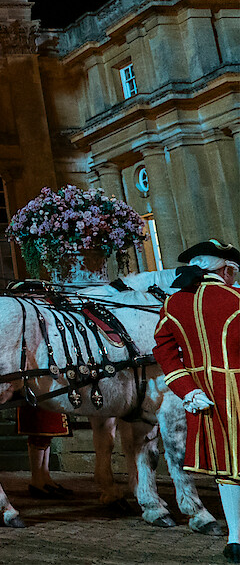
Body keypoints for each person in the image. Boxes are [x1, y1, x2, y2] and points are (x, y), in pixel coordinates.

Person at [152, 239, 240, 563]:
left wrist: (188, 389)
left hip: (204, 398)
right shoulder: (236, 298)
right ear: (226, 269)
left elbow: (163, 349)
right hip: (238, 390)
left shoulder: (173, 304)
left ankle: (236, 540)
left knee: (227, 468)